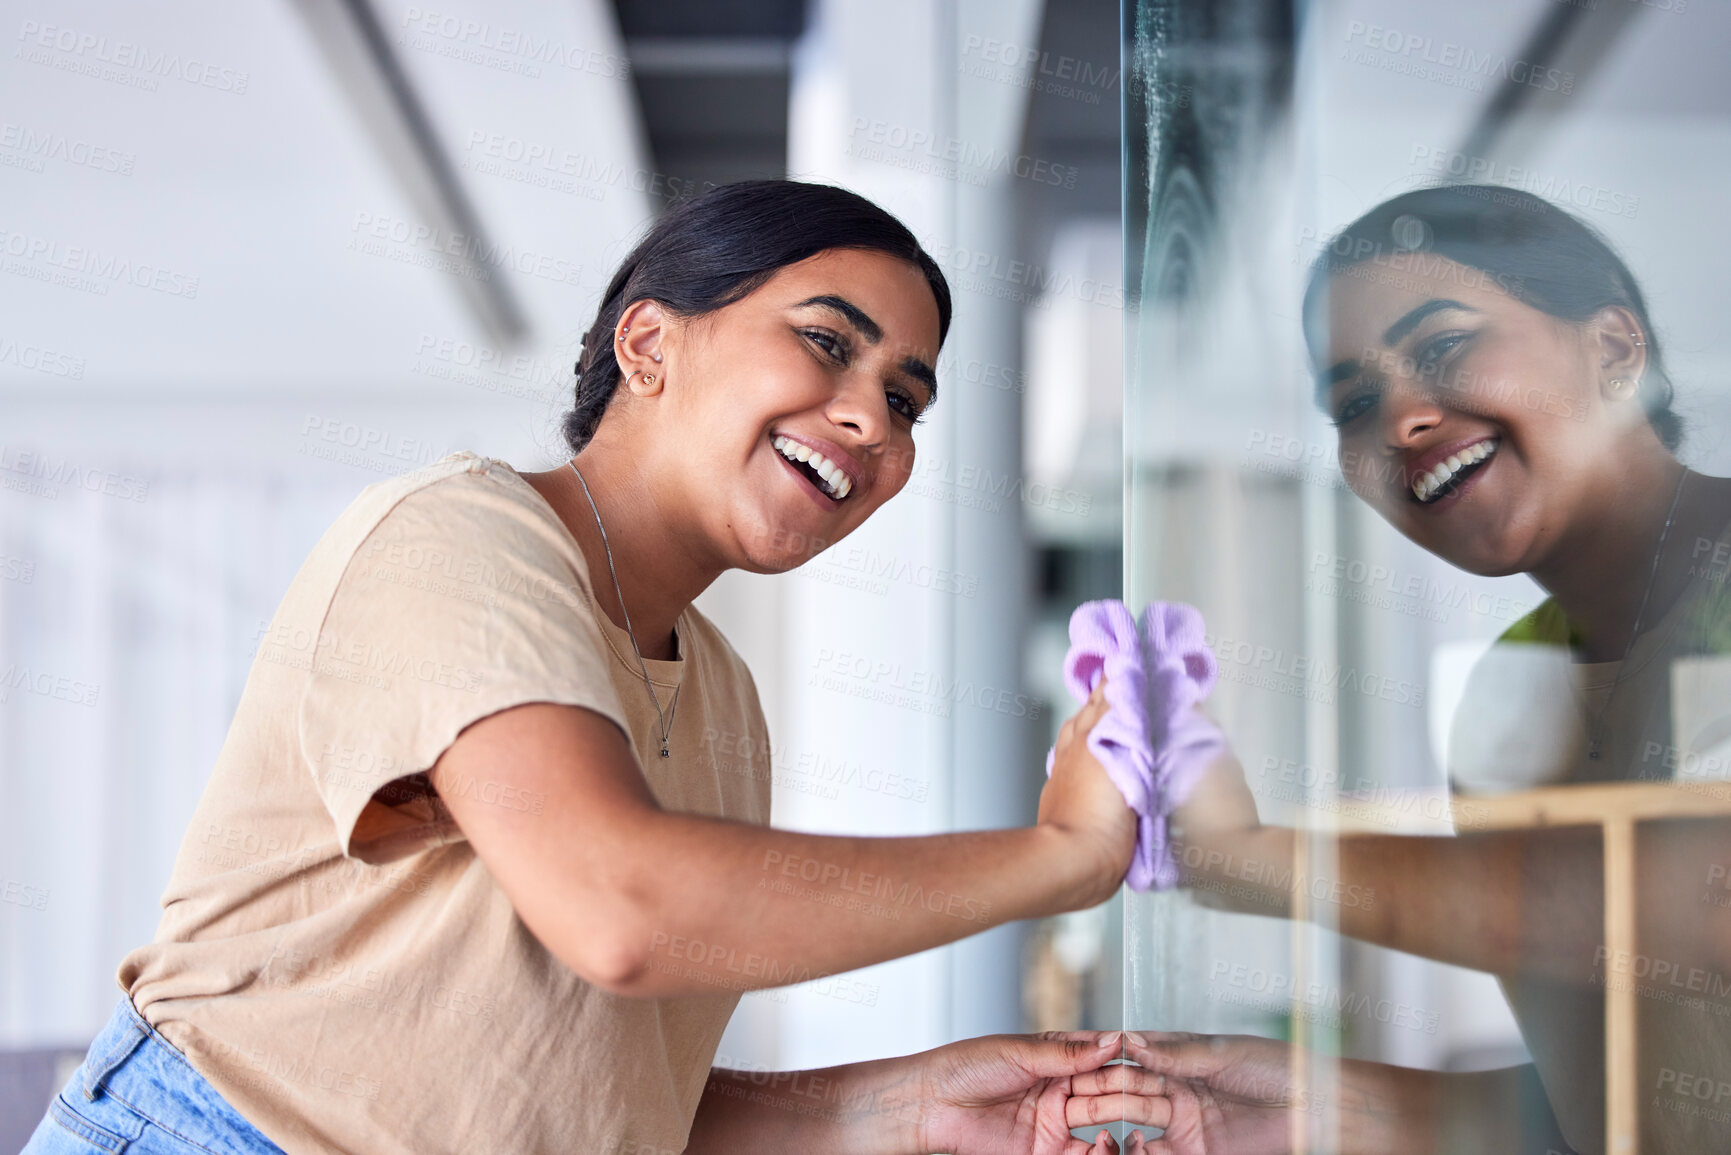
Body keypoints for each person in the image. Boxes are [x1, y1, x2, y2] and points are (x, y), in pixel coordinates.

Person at [22, 181, 1167, 1155]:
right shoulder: (457, 536)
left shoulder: (722, 702)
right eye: (828, 343)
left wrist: (901, 1108)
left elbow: (597, 1100)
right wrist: (1060, 861)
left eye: (907, 398)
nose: (874, 415)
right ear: (649, 343)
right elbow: (621, 911)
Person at [1121, 185, 1731, 1153]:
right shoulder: (1510, 686)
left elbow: (1703, 918)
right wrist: (1312, 1111)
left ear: (1614, 350)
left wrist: (1256, 859)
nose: (1401, 420)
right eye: (1354, 403)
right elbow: (1619, 1096)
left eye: (1444, 346)